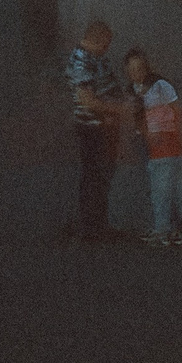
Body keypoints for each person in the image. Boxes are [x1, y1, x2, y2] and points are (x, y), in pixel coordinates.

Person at [125, 48, 182, 246]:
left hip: (164, 145)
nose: (137, 73)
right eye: (132, 69)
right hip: (153, 144)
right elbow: (135, 119)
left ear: (147, 67)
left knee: (163, 190)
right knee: (174, 188)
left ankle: (165, 230)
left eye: (140, 68)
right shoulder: (131, 90)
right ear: (127, 71)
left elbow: (177, 111)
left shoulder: (160, 85)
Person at [66, 21, 131, 241]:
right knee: (93, 176)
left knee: (103, 176)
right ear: (99, 39)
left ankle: (100, 225)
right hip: (92, 128)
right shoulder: (80, 60)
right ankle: (91, 229)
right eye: (107, 43)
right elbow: (87, 101)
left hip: (107, 127)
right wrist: (119, 109)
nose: (108, 47)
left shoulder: (97, 57)